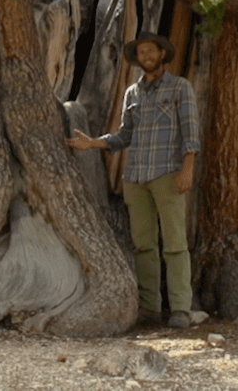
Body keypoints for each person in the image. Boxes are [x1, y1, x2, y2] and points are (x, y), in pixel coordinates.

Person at [66, 32, 201, 329]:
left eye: (151, 50)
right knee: (143, 245)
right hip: (136, 176)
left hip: (168, 174)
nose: (147, 56)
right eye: (141, 52)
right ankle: (150, 307)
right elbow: (125, 135)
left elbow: (191, 132)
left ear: (162, 54)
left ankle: (180, 307)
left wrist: (187, 168)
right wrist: (94, 144)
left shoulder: (180, 88)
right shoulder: (132, 94)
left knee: (175, 243)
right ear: (137, 58)